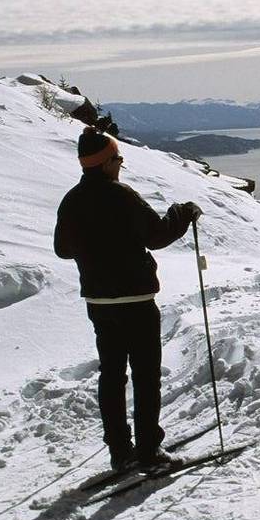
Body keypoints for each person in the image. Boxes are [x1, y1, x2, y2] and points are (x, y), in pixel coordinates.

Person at [54, 127, 202, 472]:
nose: (120, 164)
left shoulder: (72, 199)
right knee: (145, 375)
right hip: (136, 299)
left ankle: (120, 451)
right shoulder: (122, 195)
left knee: (112, 375)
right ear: (106, 162)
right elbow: (157, 235)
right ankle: (149, 450)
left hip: (99, 301)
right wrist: (182, 212)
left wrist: (92, 247)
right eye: (118, 158)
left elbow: (62, 249)